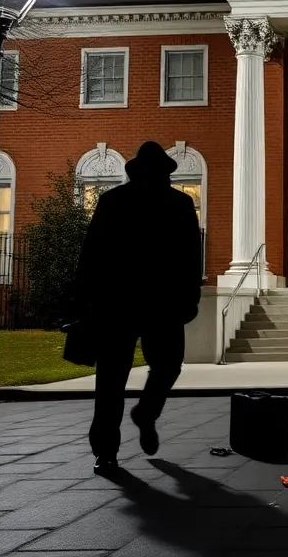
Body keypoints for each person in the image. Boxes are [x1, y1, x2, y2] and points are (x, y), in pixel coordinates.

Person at [77, 141, 203, 477]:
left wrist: (88, 300)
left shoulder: (115, 202)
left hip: (121, 304)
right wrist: (190, 298)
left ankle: (112, 444)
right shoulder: (177, 204)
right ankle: (137, 420)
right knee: (162, 367)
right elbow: (192, 258)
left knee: (113, 381)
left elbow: (91, 256)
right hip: (155, 303)